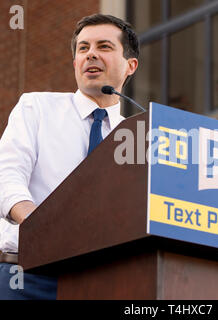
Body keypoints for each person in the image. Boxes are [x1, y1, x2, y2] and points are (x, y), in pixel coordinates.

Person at [0, 13, 139, 299]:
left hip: (107, 283)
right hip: (28, 277)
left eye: (104, 47)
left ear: (130, 65)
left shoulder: (139, 136)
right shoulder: (36, 107)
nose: (91, 55)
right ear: (75, 62)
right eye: (83, 48)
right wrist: (39, 224)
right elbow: (6, 174)